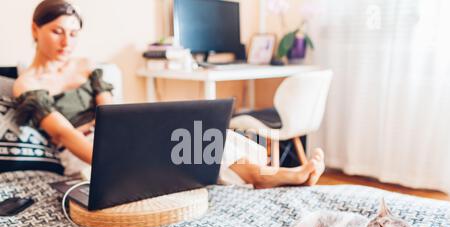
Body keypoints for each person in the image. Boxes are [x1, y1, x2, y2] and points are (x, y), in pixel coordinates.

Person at [13, 0, 325, 189]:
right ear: (35, 29)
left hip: (110, 135)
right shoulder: (27, 82)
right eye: (57, 31)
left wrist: (128, 137)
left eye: (74, 33)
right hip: (82, 153)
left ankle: (267, 175)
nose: (67, 41)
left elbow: (110, 114)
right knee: (177, 153)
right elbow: (67, 136)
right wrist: (116, 160)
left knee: (201, 137)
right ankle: (263, 177)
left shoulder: (86, 65)